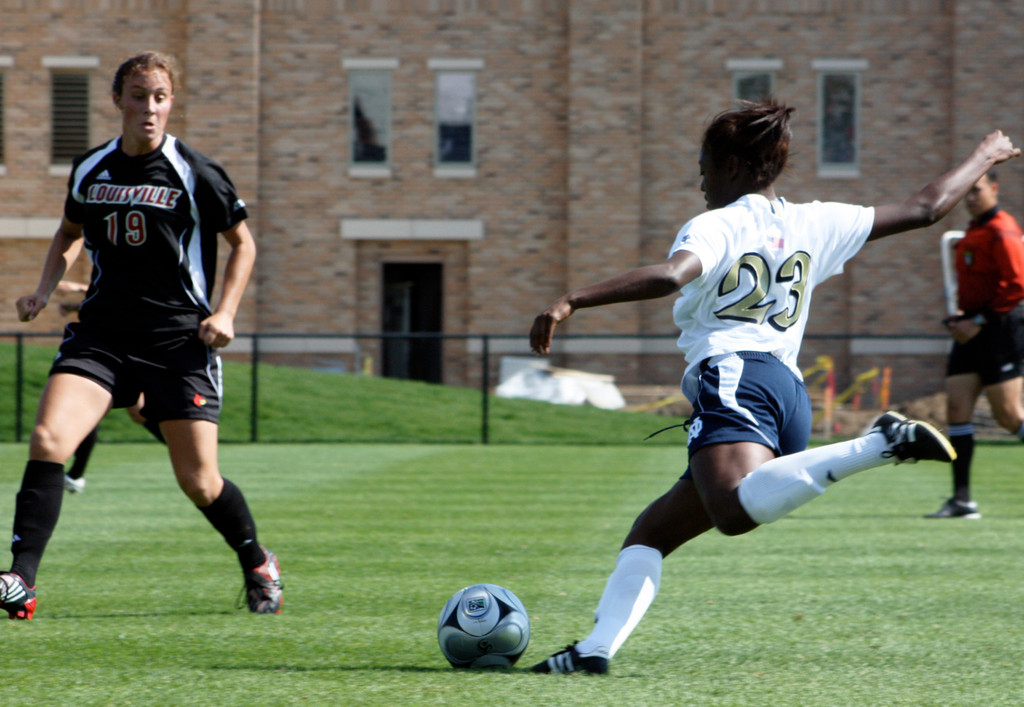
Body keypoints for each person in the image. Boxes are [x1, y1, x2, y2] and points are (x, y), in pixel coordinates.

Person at [527, 100, 1020, 674]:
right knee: (652, 532)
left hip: (735, 375)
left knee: (734, 512)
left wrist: (571, 299)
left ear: (735, 166)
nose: (700, 178)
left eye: (705, 164)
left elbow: (669, 276)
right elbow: (926, 207)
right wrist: (983, 155)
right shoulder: (815, 220)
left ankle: (880, 442)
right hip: (786, 390)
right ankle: (593, 652)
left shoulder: (716, 224)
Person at [0, 51, 282, 620]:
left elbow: (243, 244)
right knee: (50, 440)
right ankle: (20, 581)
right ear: (118, 101)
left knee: (199, 482)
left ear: (171, 101)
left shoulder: (195, 172)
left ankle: (257, 562)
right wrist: (43, 289)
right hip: (102, 335)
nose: (148, 108)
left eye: (159, 96)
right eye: (137, 95)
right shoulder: (91, 168)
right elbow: (68, 231)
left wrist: (224, 313)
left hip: (178, 342)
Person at [930, 172, 1024, 519]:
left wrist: (979, 321)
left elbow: (1018, 287)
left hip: (999, 328)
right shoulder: (973, 231)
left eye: (977, 191)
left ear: (995, 190)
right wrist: (961, 319)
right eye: (966, 192)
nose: (970, 198)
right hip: (970, 329)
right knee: (957, 411)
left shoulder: (1003, 230)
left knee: (1009, 416)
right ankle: (962, 500)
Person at [53, 280, 167, 495]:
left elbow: (126, 294)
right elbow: (111, 302)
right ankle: (76, 475)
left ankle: (189, 455)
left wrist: (77, 288)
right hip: (115, 347)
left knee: (96, 407)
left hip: (137, 346)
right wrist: (75, 307)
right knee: (136, 411)